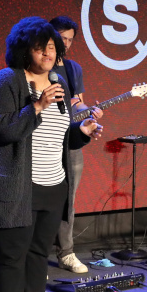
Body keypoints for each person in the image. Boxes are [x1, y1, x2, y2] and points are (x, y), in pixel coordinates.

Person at [0, 17, 102, 292]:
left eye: (52, 47)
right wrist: (38, 105)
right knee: (12, 256)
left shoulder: (60, 83)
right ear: (24, 50)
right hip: (18, 185)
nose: (48, 53)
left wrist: (82, 132)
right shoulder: (8, 80)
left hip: (53, 184)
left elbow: (58, 137)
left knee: (38, 255)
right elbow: (3, 130)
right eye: (40, 47)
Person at [49, 15, 101, 274]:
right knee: (38, 199)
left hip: (70, 140)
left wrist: (90, 111)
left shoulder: (73, 69)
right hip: (43, 142)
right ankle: (33, 255)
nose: (66, 44)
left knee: (68, 201)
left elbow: (76, 104)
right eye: (62, 38)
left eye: (70, 40)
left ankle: (66, 253)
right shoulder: (36, 66)